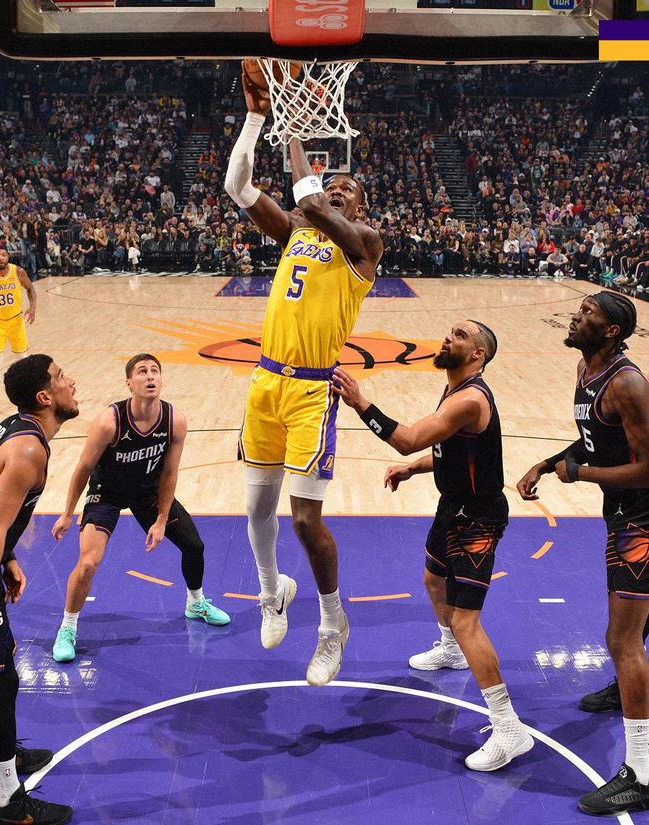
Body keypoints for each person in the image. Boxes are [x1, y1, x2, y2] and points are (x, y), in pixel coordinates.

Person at [224, 65, 382, 687]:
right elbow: (237, 185)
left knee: (304, 520)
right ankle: (272, 593)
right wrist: (258, 116)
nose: (337, 192)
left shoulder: (363, 243)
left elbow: (312, 201)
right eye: (332, 184)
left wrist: (290, 127)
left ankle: (332, 623)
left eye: (348, 189)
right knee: (255, 507)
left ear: (361, 207)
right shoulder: (294, 229)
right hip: (266, 381)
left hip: (314, 388)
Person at [333, 321, 534, 771]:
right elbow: (445, 449)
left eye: (460, 335)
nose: (448, 338)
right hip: (452, 508)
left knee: (467, 622)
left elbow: (408, 439)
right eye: (450, 332)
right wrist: (416, 469)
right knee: (432, 578)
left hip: (477, 519)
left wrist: (361, 402)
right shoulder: (455, 390)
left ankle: (509, 728)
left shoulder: (470, 398)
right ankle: (450, 650)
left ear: (478, 354)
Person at [517, 292, 649, 816]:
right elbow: (594, 442)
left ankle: (642, 773)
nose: (576, 314)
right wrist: (548, 464)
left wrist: (581, 475)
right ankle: (626, 690)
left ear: (612, 330)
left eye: (589, 311)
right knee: (637, 628)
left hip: (643, 518)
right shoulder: (586, 369)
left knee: (621, 638)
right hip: (626, 511)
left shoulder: (627, 383)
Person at [50, 353, 230, 663]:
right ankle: (67, 628)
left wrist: (161, 520)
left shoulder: (174, 420)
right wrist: (67, 513)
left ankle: (196, 603)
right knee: (89, 563)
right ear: (129, 383)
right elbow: (83, 468)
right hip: (107, 494)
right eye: (142, 371)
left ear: (161, 380)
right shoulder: (109, 422)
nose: (150, 376)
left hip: (148, 493)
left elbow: (170, 473)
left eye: (155, 371)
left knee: (194, 545)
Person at [0, 355, 77, 825]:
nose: (71, 382)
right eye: (61, 377)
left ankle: (0, 755)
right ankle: (6, 801)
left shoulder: (18, 430)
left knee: (0, 673)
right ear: (45, 397)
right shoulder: (27, 450)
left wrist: (7, 559)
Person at [0, 248, 36, 417]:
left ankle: (27, 399)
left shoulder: (18, 271)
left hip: (16, 321)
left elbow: (30, 289)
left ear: (8, 257)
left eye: (3, 255)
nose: (0, 258)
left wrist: (32, 307)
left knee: (22, 360)